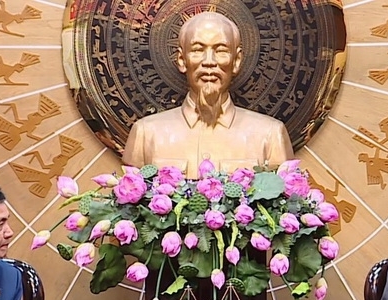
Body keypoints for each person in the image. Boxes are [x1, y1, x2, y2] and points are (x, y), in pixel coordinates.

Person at [123, 11, 294, 178]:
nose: (209, 62)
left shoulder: (271, 135)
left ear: (236, 61)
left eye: (221, 51)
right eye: (198, 50)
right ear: (182, 60)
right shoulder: (145, 134)